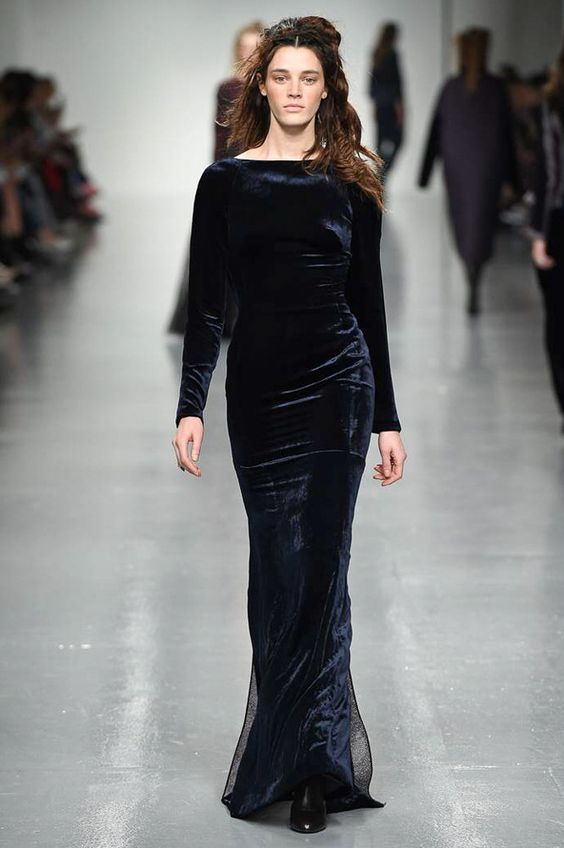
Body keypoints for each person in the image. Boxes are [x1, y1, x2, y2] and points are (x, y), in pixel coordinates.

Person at [172, 15, 406, 834]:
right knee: (276, 573)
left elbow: (369, 306)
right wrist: (190, 404)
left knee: (322, 573)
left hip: (339, 389)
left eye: (310, 79)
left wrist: (387, 418)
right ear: (261, 86)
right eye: (282, 78)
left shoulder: (352, 184)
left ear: (327, 88)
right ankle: (282, 749)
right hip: (260, 399)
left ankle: (314, 769)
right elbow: (207, 306)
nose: (296, 91)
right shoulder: (224, 184)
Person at [166, 21, 263, 337]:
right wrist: (219, 177)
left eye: (254, 48)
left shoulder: (270, 90)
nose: (248, 54)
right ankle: (218, 318)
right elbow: (220, 137)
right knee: (218, 246)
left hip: (261, 173)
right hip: (232, 171)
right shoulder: (228, 89)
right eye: (243, 48)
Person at [418, 28, 520, 315]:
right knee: (482, 224)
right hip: (488, 167)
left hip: (457, 166)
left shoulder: (451, 88)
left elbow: (435, 132)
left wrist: (425, 175)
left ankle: (470, 271)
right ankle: (475, 274)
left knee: (463, 222)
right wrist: (514, 179)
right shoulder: (496, 89)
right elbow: (508, 136)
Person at [528, 46, 564, 433]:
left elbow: (548, 176)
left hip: (557, 223)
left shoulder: (551, 109)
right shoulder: (549, 110)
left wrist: (540, 234)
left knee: (557, 321)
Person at [368, 22, 404, 177]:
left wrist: (376, 105)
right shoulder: (391, 55)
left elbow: (373, 84)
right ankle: (381, 177)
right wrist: (400, 108)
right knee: (397, 140)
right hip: (391, 107)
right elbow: (396, 83)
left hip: (381, 106)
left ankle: (379, 177)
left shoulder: (377, 54)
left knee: (381, 144)